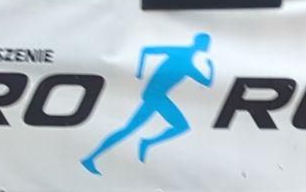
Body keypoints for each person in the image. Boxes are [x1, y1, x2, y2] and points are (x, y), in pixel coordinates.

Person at [81, 33, 215, 176]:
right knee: (178, 126)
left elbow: (206, 82)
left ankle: (142, 144)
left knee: (131, 129)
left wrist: (211, 68)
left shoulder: (188, 64)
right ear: (199, 43)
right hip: (155, 96)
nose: (208, 46)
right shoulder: (179, 53)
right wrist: (139, 72)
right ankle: (95, 157)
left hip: (157, 96)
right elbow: (146, 50)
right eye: (206, 43)